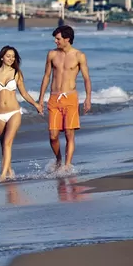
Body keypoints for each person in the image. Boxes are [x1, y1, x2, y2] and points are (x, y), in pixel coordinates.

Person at [0, 46, 43, 181]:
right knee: (3, 145)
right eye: (8, 56)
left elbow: (24, 93)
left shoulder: (17, 73)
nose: (11, 58)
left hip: (14, 113)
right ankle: (10, 171)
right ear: (2, 57)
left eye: (13, 56)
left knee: (7, 143)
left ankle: (2, 175)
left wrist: (36, 105)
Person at [38, 25, 92, 170]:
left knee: (69, 133)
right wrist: (40, 99)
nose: (55, 41)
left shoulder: (79, 56)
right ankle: (59, 159)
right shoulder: (52, 54)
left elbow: (86, 78)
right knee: (53, 136)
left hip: (70, 98)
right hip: (54, 98)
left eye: (58, 39)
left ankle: (67, 166)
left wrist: (88, 98)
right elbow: (46, 76)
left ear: (67, 39)